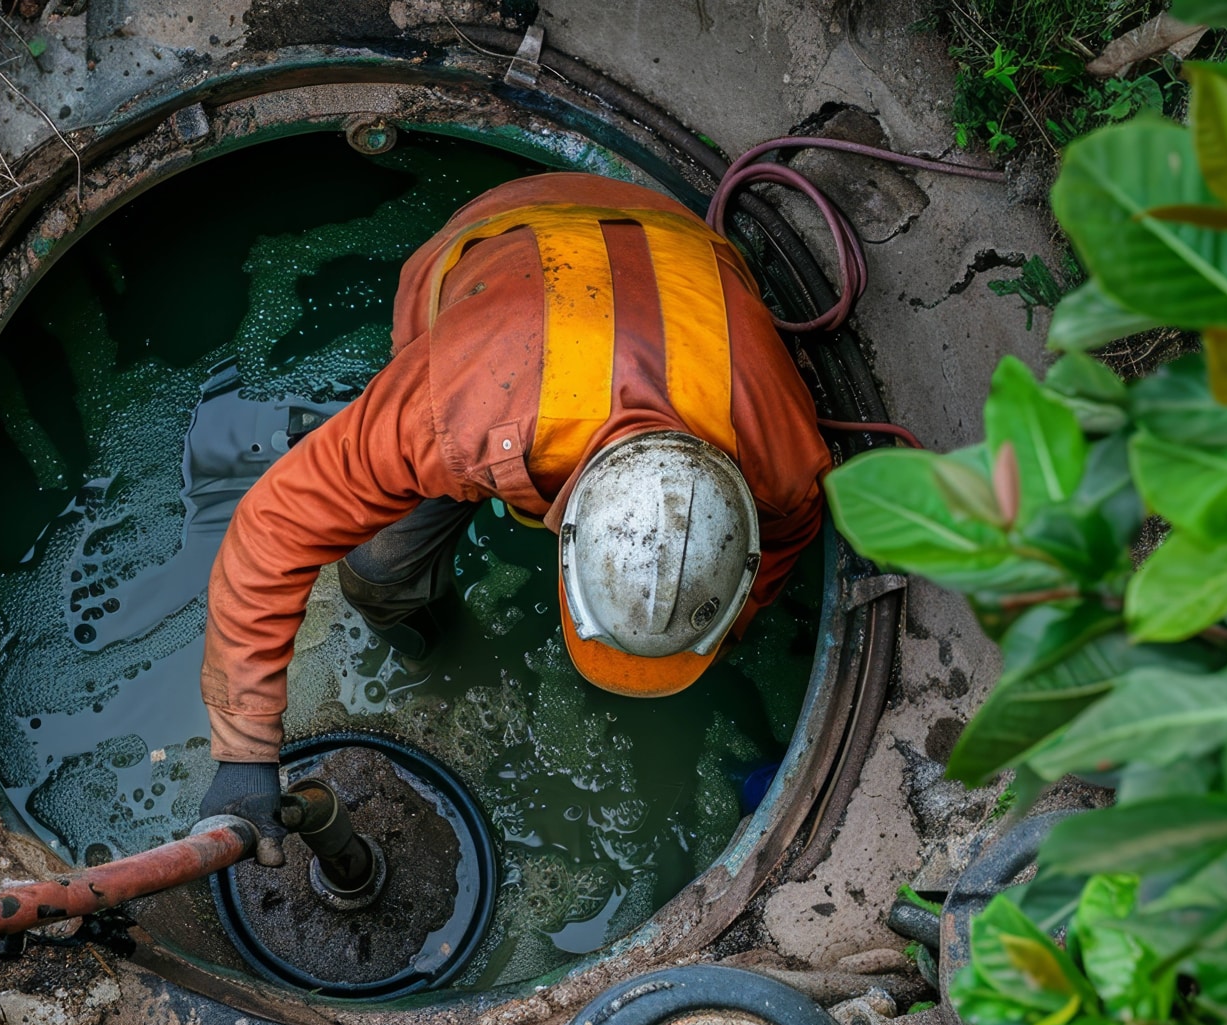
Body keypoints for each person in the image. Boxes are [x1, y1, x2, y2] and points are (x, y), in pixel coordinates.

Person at [196, 171, 832, 836]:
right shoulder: (454, 412)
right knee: (378, 572)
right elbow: (272, 526)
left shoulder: (784, 462)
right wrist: (244, 751)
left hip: (669, 237)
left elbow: (777, 547)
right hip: (508, 242)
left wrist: (712, 629)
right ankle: (433, 648)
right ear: (568, 534)